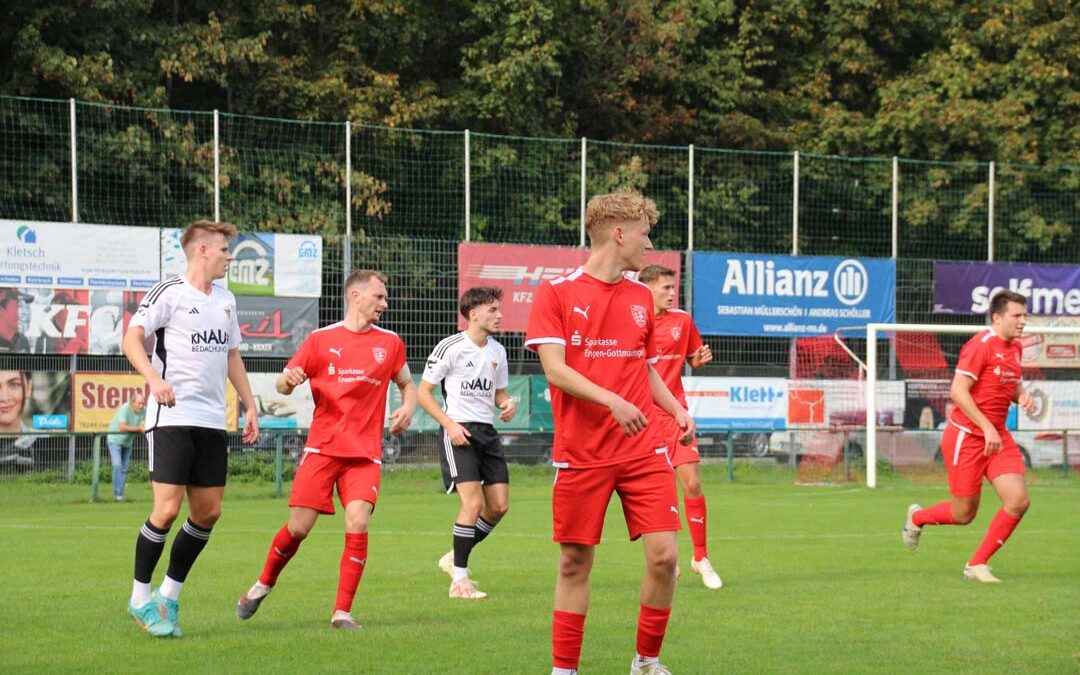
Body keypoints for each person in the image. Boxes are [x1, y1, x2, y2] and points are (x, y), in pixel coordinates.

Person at [525, 190, 696, 675]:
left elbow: (644, 369)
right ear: (619, 234)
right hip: (582, 454)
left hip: (644, 450)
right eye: (645, 233)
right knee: (575, 563)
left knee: (664, 558)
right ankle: (565, 671)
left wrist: (677, 410)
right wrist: (611, 400)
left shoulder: (642, 296)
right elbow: (555, 371)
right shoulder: (556, 293)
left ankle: (646, 661)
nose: (650, 244)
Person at [235, 269, 416, 631]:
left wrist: (408, 406)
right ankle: (263, 584)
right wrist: (287, 380)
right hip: (323, 449)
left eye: (385, 297)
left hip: (364, 453)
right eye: (379, 296)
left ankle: (342, 613)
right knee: (298, 528)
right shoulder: (320, 340)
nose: (385, 303)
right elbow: (282, 384)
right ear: (356, 296)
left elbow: (407, 383)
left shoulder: (391, 342)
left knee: (358, 520)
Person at [121, 220, 260, 638]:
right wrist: (153, 379)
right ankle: (139, 597)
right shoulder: (170, 293)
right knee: (166, 509)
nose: (229, 257)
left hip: (212, 420)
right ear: (201, 250)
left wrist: (250, 406)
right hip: (172, 418)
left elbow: (232, 356)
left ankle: (169, 595)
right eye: (224, 250)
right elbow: (132, 339)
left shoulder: (227, 300)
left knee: (208, 512)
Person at [902, 290, 1036, 583]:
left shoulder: (1015, 348)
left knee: (1018, 500)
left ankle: (977, 564)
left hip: (997, 437)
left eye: (1024, 315)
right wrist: (986, 427)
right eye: (1017, 315)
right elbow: (957, 391)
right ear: (997, 317)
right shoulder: (980, 346)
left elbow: (1011, 383)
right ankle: (917, 518)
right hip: (967, 438)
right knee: (964, 514)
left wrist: (1022, 395)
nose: (1023, 321)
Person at [419, 286, 516, 600]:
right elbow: (424, 393)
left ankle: (453, 557)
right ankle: (459, 582)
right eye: (493, 310)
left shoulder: (497, 351)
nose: (499, 315)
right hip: (458, 432)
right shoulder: (451, 347)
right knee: (472, 505)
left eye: (499, 310)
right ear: (473, 315)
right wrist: (450, 425)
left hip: (487, 432)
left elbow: (499, 393)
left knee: (499, 506)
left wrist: (507, 403)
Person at [638, 264, 722, 590]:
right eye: (665, 288)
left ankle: (700, 557)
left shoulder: (682, 320)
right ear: (647, 290)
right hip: (644, 419)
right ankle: (667, 559)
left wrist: (699, 359)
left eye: (673, 288)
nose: (672, 293)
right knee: (659, 493)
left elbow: (692, 358)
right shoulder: (634, 322)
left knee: (693, 484)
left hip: (676, 415)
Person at [106, 390, 147, 501]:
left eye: (143, 403)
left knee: (124, 468)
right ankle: (117, 494)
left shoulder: (144, 410)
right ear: (132, 402)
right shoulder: (125, 408)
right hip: (114, 440)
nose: (142, 406)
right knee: (117, 465)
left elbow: (148, 423)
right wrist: (139, 429)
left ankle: (120, 495)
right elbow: (122, 427)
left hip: (127, 442)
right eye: (139, 403)